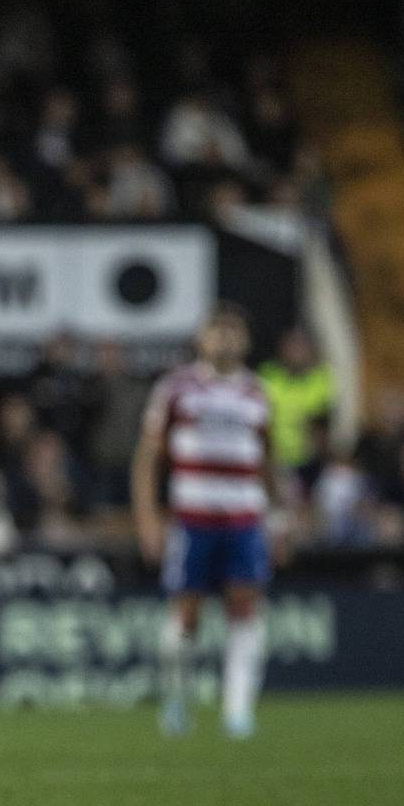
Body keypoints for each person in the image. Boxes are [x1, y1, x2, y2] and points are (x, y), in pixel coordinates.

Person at [132, 304, 281, 739]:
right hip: (192, 518)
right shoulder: (177, 389)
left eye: (234, 330)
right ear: (201, 338)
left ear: (247, 341)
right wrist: (148, 517)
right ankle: (177, 698)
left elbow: (269, 462)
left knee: (245, 609)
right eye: (217, 329)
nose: (226, 338)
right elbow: (148, 459)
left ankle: (238, 711)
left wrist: (281, 515)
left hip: (244, 518)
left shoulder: (257, 393)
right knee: (186, 614)